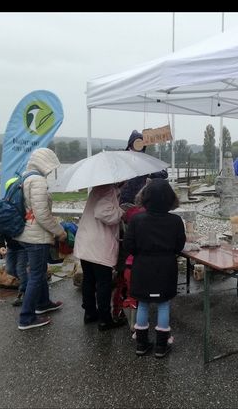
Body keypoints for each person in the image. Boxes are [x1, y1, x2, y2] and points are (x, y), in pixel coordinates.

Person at [124, 179, 185, 358]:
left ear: (145, 197)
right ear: (170, 199)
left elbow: (129, 245)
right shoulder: (175, 220)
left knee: (142, 303)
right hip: (166, 267)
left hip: (142, 266)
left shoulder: (136, 219)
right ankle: (161, 345)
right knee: (164, 304)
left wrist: (141, 253)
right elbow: (179, 245)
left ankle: (141, 344)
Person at [14, 148, 68, 330]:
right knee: (36, 275)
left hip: (27, 232)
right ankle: (26, 317)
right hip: (36, 236)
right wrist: (60, 231)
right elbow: (42, 214)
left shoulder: (26, 177)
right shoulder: (37, 181)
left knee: (39, 271)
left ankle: (43, 303)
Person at [72, 182, 127, 331]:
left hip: (86, 241)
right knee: (104, 282)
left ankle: (90, 313)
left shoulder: (98, 189)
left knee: (89, 279)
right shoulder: (109, 190)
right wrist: (121, 213)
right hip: (98, 243)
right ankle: (105, 319)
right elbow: (103, 213)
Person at [0, 176, 29, 306]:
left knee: (20, 269)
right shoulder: (4, 206)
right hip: (12, 246)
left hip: (24, 245)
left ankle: (23, 293)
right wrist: (1, 245)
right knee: (10, 269)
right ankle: (32, 286)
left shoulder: (24, 205)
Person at [119, 130, 168, 206]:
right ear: (131, 143)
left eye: (141, 142)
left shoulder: (146, 159)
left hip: (141, 198)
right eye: (137, 142)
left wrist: (149, 172)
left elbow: (164, 174)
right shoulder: (121, 158)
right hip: (123, 198)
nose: (139, 145)